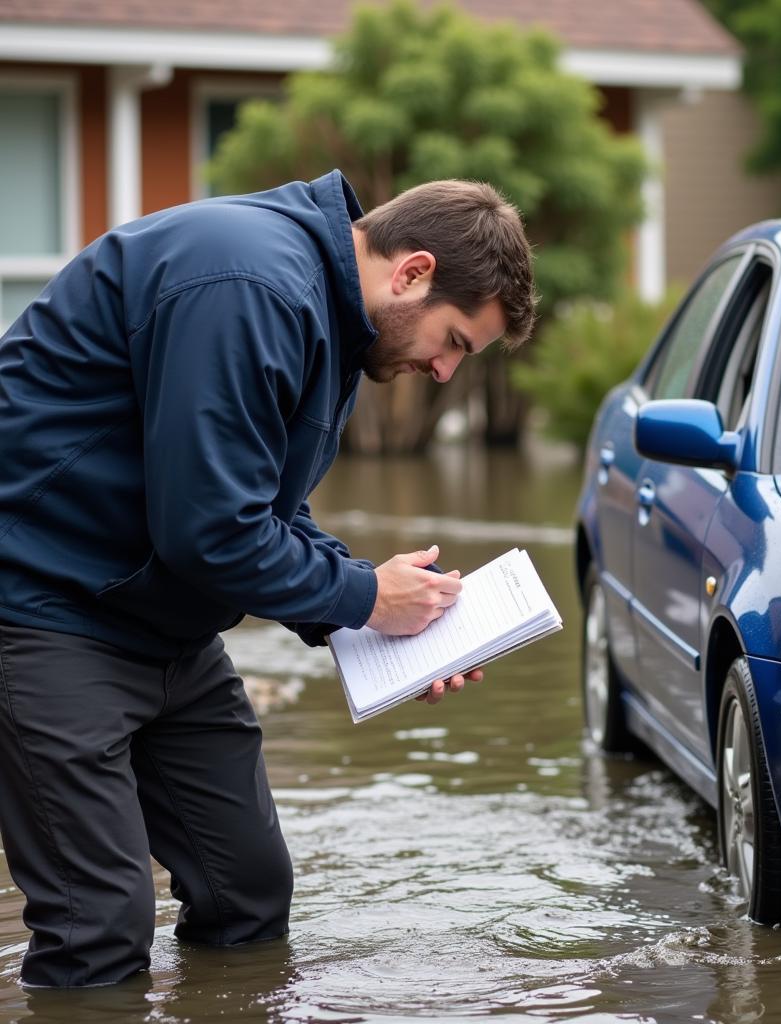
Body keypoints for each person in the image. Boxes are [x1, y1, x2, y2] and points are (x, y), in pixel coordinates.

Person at [0, 169, 536, 988]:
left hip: (161, 622)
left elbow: (261, 505)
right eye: (456, 342)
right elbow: (210, 529)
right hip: (41, 610)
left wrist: (379, 618)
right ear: (414, 273)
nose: (445, 373)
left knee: (247, 891)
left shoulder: (333, 313)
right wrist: (362, 596)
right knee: (98, 926)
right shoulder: (249, 284)